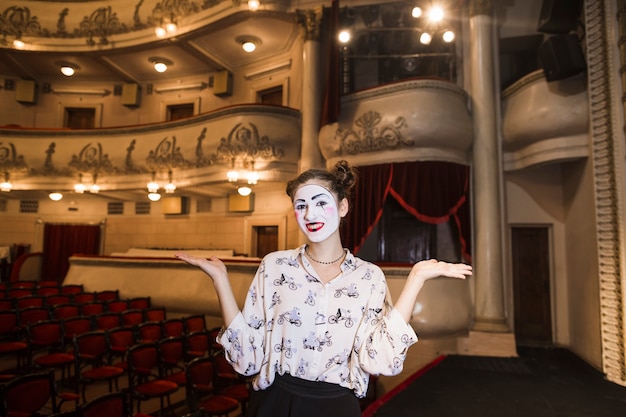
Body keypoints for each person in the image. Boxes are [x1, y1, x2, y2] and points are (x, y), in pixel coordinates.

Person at [175, 160, 472, 417]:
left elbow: (379, 360)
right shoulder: (275, 266)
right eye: (301, 205)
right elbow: (247, 360)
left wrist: (416, 279)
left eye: (320, 203)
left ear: (343, 206)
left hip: (336, 407)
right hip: (275, 402)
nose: (310, 214)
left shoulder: (369, 277)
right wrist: (220, 280)